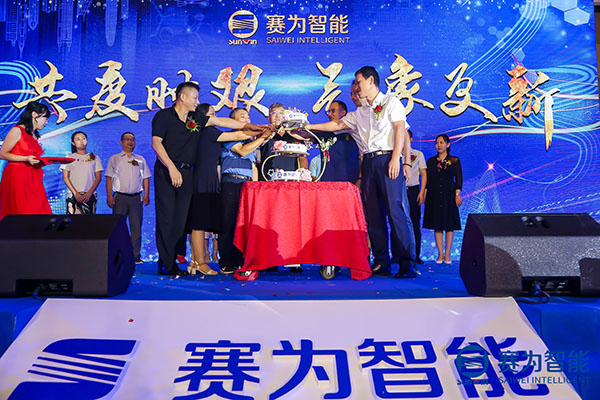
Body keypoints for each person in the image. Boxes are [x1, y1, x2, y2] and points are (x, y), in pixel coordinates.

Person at [306, 66, 418, 278]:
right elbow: (335, 125)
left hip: (388, 159)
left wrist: (398, 159)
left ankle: (407, 263)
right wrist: (308, 126)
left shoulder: (391, 101)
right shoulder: (359, 113)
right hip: (368, 163)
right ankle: (381, 261)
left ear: (371, 81)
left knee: (396, 212)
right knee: (374, 215)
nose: (356, 87)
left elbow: (400, 129)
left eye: (359, 82)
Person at [152, 81, 263, 276]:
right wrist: (171, 168)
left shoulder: (195, 118)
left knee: (180, 220)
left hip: (188, 173)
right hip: (168, 171)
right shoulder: (163, 116)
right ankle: (165, 264)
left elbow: (224, 122)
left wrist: (251, 126)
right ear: (182, 97)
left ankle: (173, 261)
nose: (197, 101)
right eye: (194, 97)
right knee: (166, 217)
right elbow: (156, 143)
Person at [186, 104, 254, 276]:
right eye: (212, 114)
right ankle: (200, 261)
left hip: (208, 177)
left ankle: (196, 261)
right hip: (203, 178)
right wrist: (264, 132)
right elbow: (238, 135)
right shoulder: (209, 132)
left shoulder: (206, 132)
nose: (216, 117)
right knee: (200, 223)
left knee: (200, 223)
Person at [219, 107, 272, 275]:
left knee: (243, 224)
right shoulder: (229, 137)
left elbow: (253, 167)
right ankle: (226, 261)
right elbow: (242, 151)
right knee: (229, 222)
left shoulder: (251, 141)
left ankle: (240, 259)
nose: (247, 119)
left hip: (247, 184)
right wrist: (262, 137)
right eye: (242, 116)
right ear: (232, 121)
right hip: (231, 182)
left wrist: (255, 187)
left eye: (248, 116)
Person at [105, 132, 151, 265]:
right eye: (127, 139)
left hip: (136, 197)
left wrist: (146, 195)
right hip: (120, 197)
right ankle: (118, 255)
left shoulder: (141, 159)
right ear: (121, 142)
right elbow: (109, 178)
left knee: (136, 227)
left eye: (132, 139)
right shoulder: (115, 158)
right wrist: (109, 196)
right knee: (118, 228)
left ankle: (135, 255)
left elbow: (145, 178)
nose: (130, 142)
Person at [0, 101, 52, 219]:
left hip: (33, 176)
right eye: (45, 118)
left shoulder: (34, 134)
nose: (46, 122)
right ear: (34, 115)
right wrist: (25, 158)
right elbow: (2, 154)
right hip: (17, 176)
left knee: (38, 211)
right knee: (21, 210)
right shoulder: (17, 130)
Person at [423, 134, 463, 264]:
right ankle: (440, 254)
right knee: (437, 225)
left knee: (449, 225)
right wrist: (425, 193)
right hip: (434, 195)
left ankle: (448, 255)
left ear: (448, 144)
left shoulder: (454, 160)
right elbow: (428, 180)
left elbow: (459, 179)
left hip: (449, 194)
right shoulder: (431, 161)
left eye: (441, 142)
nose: (439, 145)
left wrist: (457, 194)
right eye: (437, 143)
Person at [309, 100, 360, 183]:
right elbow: (304, 135)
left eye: (333, 111)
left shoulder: (353, 131)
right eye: (329, 111)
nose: (329, 114)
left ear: (343, 113)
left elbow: (361, 156)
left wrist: (360, 178)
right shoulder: (324, 132)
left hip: (348, 182)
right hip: (327, 181)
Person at [260, 103, 308, 180]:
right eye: (274, 113)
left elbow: (302, 158)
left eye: (281, 113)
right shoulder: (263, 134)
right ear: (269, 118)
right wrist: (270, 133)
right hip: (268, 178)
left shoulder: (294, 135)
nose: (277, 116)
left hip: (291, 178)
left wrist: (303, 175)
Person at [61, 131, 103, 214]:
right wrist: (76, 193)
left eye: (83, 139)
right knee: (72, 220)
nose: (81, 141)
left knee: (88, 220)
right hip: (73, 195)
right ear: (73, 143)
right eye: (78, 139)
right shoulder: (69, 157)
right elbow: (65, 177)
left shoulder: (94, 157)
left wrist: (89, 193)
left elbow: (98, 178)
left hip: (90, 195)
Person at [405, 130, 427, 264]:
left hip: (414, 191)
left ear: (411, 139)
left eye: (406, 137)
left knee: (415, 223)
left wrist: (422, 192)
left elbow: (423, 173)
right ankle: (398, 255)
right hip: (399, 191)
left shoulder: (418, 154)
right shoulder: (395, 154)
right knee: (398, 223)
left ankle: (416, 254)